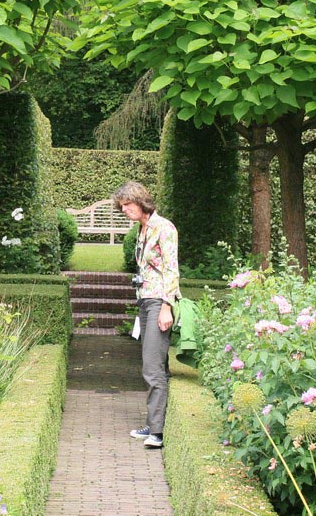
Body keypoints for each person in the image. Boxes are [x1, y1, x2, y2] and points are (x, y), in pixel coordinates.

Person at [112, 180, 180, 450]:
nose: (125, 210)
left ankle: (158, 433)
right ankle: (153, 424)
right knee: (152, 365)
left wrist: (167, 307)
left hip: (158, 303)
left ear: (141, 202)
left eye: (128, 204)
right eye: (122, 206)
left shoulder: (164, 228)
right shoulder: (142, 229)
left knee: (153, 368)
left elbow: (172, 269)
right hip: (145, 301)